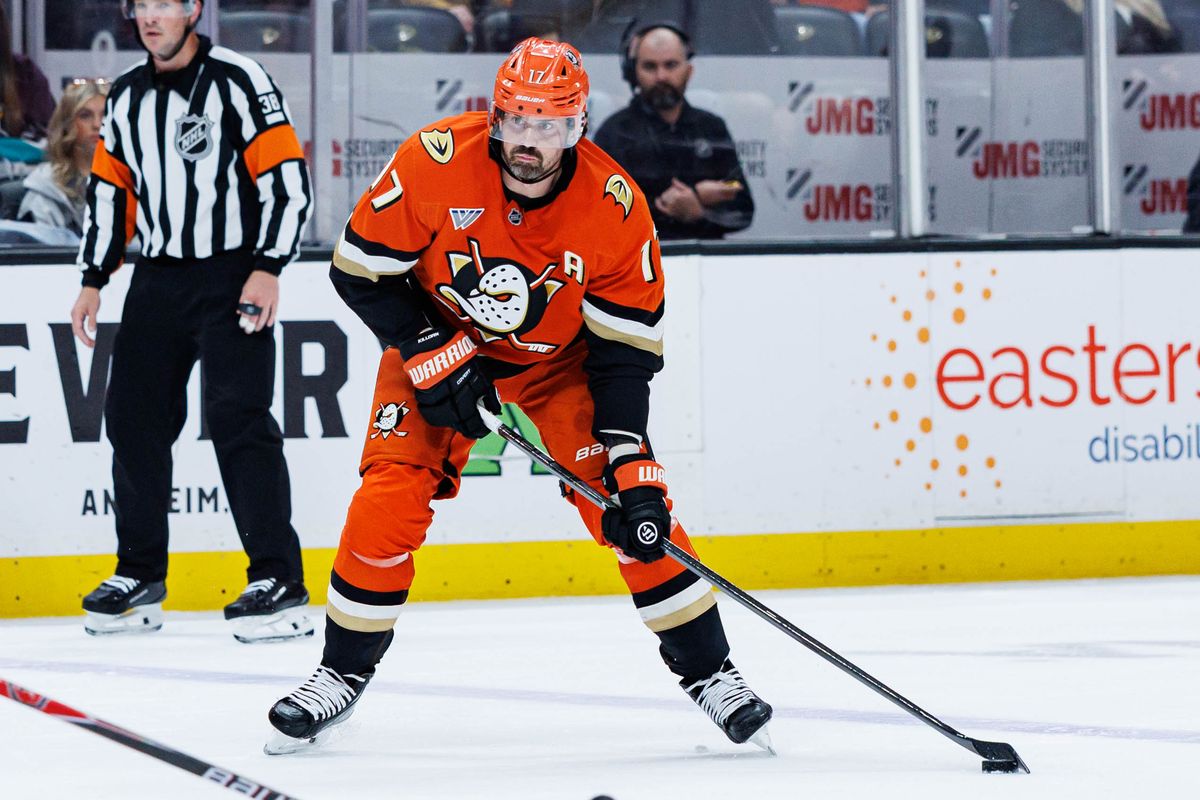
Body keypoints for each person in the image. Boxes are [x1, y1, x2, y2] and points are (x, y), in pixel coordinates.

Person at [264, 37, 773, 755]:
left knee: (634, 510)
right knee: (389, 495)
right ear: (495, 115)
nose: (527, 141)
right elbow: (358, 271)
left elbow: (624, 357)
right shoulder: (436, 159)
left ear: (577, 127)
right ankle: (337, 676)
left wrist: (629, 461)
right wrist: (428, 350)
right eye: (516, 120)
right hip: (435, 341)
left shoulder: (615, 207)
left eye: (547, 125)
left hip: (559, 366)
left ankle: (712, 674)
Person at [69, 0, 313, 643]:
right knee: (133, 421)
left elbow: (288, 181)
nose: (150, 16)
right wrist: (94, 278)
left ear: (193, 9)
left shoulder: (240, 79)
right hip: (158, 277)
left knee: (239, 420)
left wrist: (268, 266)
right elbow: (110, 190)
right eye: (140, 5)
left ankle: (278, 578)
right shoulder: (124, 95)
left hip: (233, 272)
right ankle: (140, 574)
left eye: (164, 4)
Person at [592, 23, 754, 240]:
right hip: (639, 266)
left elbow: (741, 204)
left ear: (688, 71)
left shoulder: (711, 127)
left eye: (671, 65)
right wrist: (673, 206)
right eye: (650, 66)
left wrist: (700, 210)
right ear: (633, 73)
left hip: (708, 262)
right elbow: (601, 215)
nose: (661, 76)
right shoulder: (614, 133)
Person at [17, 81, 108, 239]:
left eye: (105, 114)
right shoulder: (46, 188)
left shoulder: (135, 182)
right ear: (67, 124)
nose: (97, 124)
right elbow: (43, 257)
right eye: (85, 115)